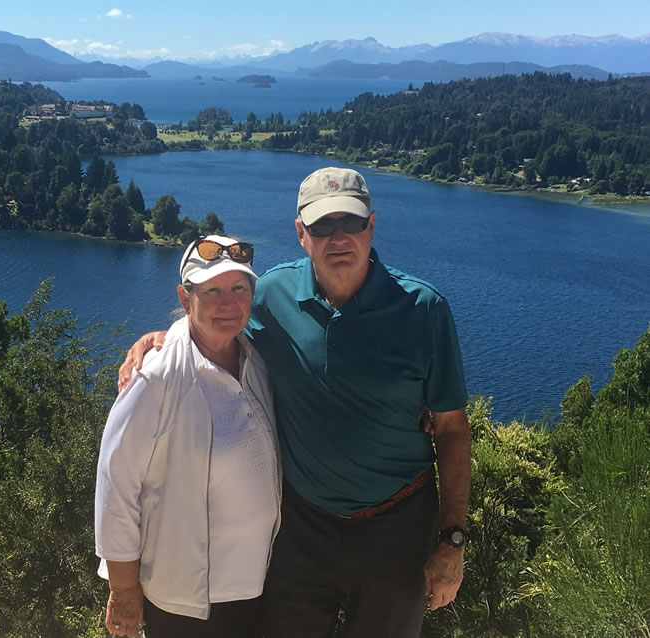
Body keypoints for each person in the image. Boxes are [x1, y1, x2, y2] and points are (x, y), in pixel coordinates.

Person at [118, 167, 471, 638]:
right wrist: (165, 337)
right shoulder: (271, 296)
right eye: (323, 225)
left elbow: (452, 429)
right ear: (302, 234)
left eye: (350, 222)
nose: (338, 237)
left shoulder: (423, 310)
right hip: (302, 527)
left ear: (371, 226)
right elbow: (218, 315)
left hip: (398, 527)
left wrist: (452, 542)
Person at [95, 235, 281, 638]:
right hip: (188, 601)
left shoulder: (257, 358)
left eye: (239, 288)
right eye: (212, 290)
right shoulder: (157, 376)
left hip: (258, 586)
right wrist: (124, 589)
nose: (228, 304)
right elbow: (116, 486)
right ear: (185, 297)